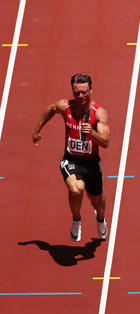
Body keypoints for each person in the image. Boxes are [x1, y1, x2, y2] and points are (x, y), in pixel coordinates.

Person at [31, 73, 110, 242]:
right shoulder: (65, 107)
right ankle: (76, 219)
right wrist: (37, 130)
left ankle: (100, 218)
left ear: (91, 90)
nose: (80, 96)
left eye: (84, 92)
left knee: (97, 201)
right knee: (76, 188)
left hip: (91, 163)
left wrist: (93, 132)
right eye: (77, 93)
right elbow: (51, 109)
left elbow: (105, 142)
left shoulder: (99, 113)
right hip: (71, 159)